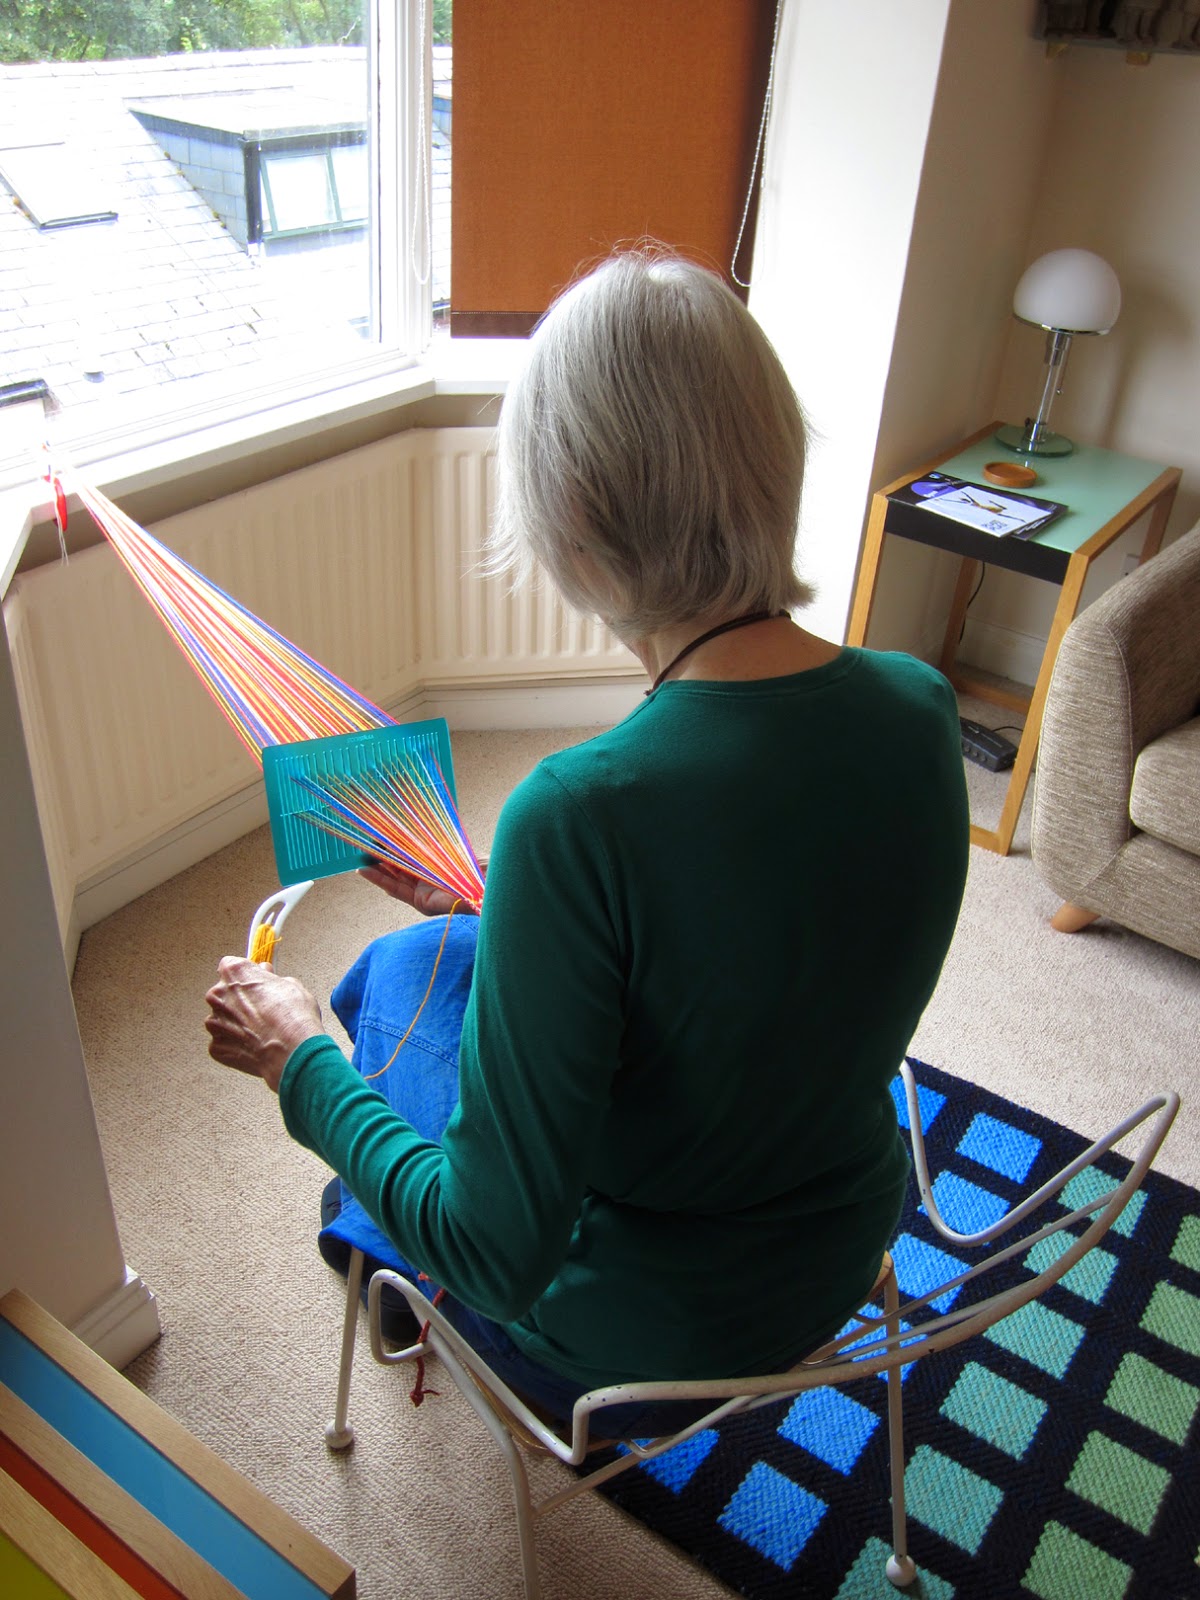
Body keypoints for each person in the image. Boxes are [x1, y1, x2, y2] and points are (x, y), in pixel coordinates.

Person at [205, 248, 969, 1435]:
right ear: (775, 459)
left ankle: (379, 1258)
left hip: (649, 1331)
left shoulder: (582, 808)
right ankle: (377, 1237)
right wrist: (512, 900)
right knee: (439, 958)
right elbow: (757, 917)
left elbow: (499, 1251)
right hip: (842, 1243)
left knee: (382, 990)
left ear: (570, 521)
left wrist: (296, 1059)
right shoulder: (922, 708)